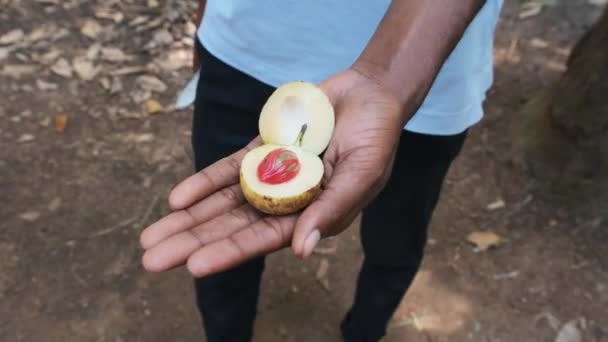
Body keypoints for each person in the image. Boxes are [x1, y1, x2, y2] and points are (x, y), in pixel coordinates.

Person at [139, 0, 503, 341]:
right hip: (242, 42)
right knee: (217, 243)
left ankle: (365, 331)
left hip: (424, 70)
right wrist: (207, 17)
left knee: (394, 243)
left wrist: (389, 77)